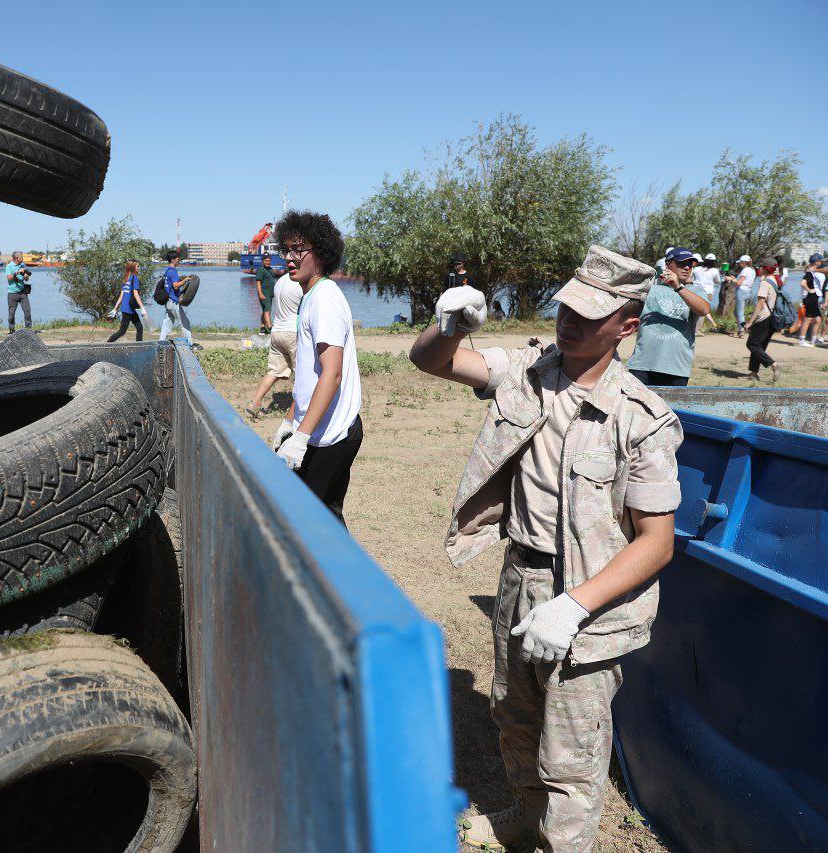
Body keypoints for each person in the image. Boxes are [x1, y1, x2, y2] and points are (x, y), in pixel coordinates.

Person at [410, 244, 681, 853]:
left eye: (590, 315)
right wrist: (446, 325)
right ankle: (524, 822)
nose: (570, 321)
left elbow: (656, 542)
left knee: (573, 758)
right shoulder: (528, 370)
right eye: (568, 307)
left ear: (627, 326)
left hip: (589, 601)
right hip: (519, 577)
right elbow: (432, 361)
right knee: (515, 721)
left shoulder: (644, 419)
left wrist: (574, 607)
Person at [269, 211, 362, 524]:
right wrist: (289, 420)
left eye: (299, 250)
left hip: (331, 435)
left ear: (320, 253)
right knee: (327, 519)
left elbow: (332, 373)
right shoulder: (308, 296)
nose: (290, 258)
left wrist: (301, 437)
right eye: (287, 251)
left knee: (304, 520)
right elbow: (310, 374)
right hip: (320, 429)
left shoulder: (324, 299)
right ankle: (345, 573)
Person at [626, 247, 713, 386]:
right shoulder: (650, 289)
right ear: (667, 265)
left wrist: (678, 287)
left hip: (676, 368)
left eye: (690, 265)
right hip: (642, 365)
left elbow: (704, 310)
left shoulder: (696, 291)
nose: (686, 268)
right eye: (681, 263)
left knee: (669, 408)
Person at [245, 269, 301, 418]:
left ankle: (255, 403)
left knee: (274, 371)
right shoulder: (300, 282)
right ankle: (300, 410)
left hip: (278, 331)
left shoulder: (280, 281)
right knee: (302, 373)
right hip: (293, 331)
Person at [743, 257, 782, 381]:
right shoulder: (775, 281)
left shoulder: (765, 283)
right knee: (759, 346)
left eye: (760, 267)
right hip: (773, 319)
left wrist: (750, 322)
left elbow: (760, 304)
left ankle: (773, 364)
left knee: (752, 344)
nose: (758, 268)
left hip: (764, 318)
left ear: (765, 269)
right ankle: (753, 373)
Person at [158, 251, 197, 348]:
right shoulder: (173, 271)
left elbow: (172, 284)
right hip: (173, 302)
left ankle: (161, 343)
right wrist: (185, 280)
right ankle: (190, 344)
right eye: (178, 259)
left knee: (167, 323)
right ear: (172, 260)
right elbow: (175, 286)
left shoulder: (167, 271)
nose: (179, 261)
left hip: (168, 302)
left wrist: (181, 280)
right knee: (184, 322)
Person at [106, 260, 149, 342]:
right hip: (129, 309)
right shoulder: (134, 278)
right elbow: (135, 294)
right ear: (133, 268)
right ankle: (108, 344)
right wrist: (142, 308)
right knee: (122, 331)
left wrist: (115, 309)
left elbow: (121, 296)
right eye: (137, 266)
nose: (139, 268)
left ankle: (139, 346)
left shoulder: (126, 279)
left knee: (139, 328)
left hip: (127, 308)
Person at [726, 254, 756, 338]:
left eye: (740, 263)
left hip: (741, 291)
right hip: (748, 291)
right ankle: (742, 327)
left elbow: (739, 283)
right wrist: (734, 278)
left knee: (739, 313)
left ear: (743, 263)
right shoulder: (752, 270)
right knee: (737, 312)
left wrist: (731, 279)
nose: (739, 264)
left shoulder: (745, 270)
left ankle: (741, 331)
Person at [799, 253, 825, 346]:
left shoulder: (814, 271)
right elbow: (802, 283)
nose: (822, 262)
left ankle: (813, 341)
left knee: (817, 320)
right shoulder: (810, 272)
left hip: (814, 297)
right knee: (808, 318)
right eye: (820, 261)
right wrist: (810, 290)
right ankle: (802, 340)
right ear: (816, 262)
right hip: (811, 298)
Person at [690, 253, 721, 332]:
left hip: (695, 291)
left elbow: (691, 279)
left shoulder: (696, 269)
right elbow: (717, 281)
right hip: (708, 293)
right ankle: (697, 330)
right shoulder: (715, 271)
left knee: (693, 310)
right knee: (703, 312)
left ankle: (692, 328)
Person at [252, 253, 280, 334]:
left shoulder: (270, 269)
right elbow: (258, 282)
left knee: (265, 310)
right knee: (267, 311)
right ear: (262, 261)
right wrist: (260, 294)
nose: (268, 262)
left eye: (269, 261)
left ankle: (262, 328)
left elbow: (272, 278)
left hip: (270, 294)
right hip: (264, 293)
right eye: (266, 261)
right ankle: (271, 328)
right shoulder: (260, 269)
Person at [5, 251, 33, 333]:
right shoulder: (9, 266)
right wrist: (17, 272)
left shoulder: (23, 265)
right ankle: (12, 330)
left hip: (22, 292)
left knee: (27, 311)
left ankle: (28, 329)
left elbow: (26, 279)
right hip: (12, 293)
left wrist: (26, 276)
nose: (23, 258)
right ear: (17, 258)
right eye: (21, 257)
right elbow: (9, 278)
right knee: (11, 313)